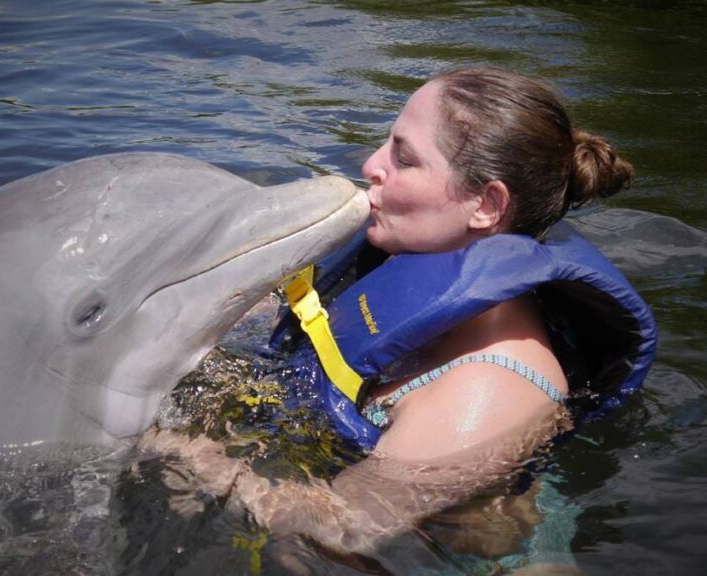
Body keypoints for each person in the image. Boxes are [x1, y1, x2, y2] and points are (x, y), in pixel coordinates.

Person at [141, 66, 644, 569]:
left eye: (404, 158)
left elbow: (336, 526)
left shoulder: (488, 390)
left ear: (486, 205)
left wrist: (166, 445)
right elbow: (299, 321)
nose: (371, 164)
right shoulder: (403, 264)